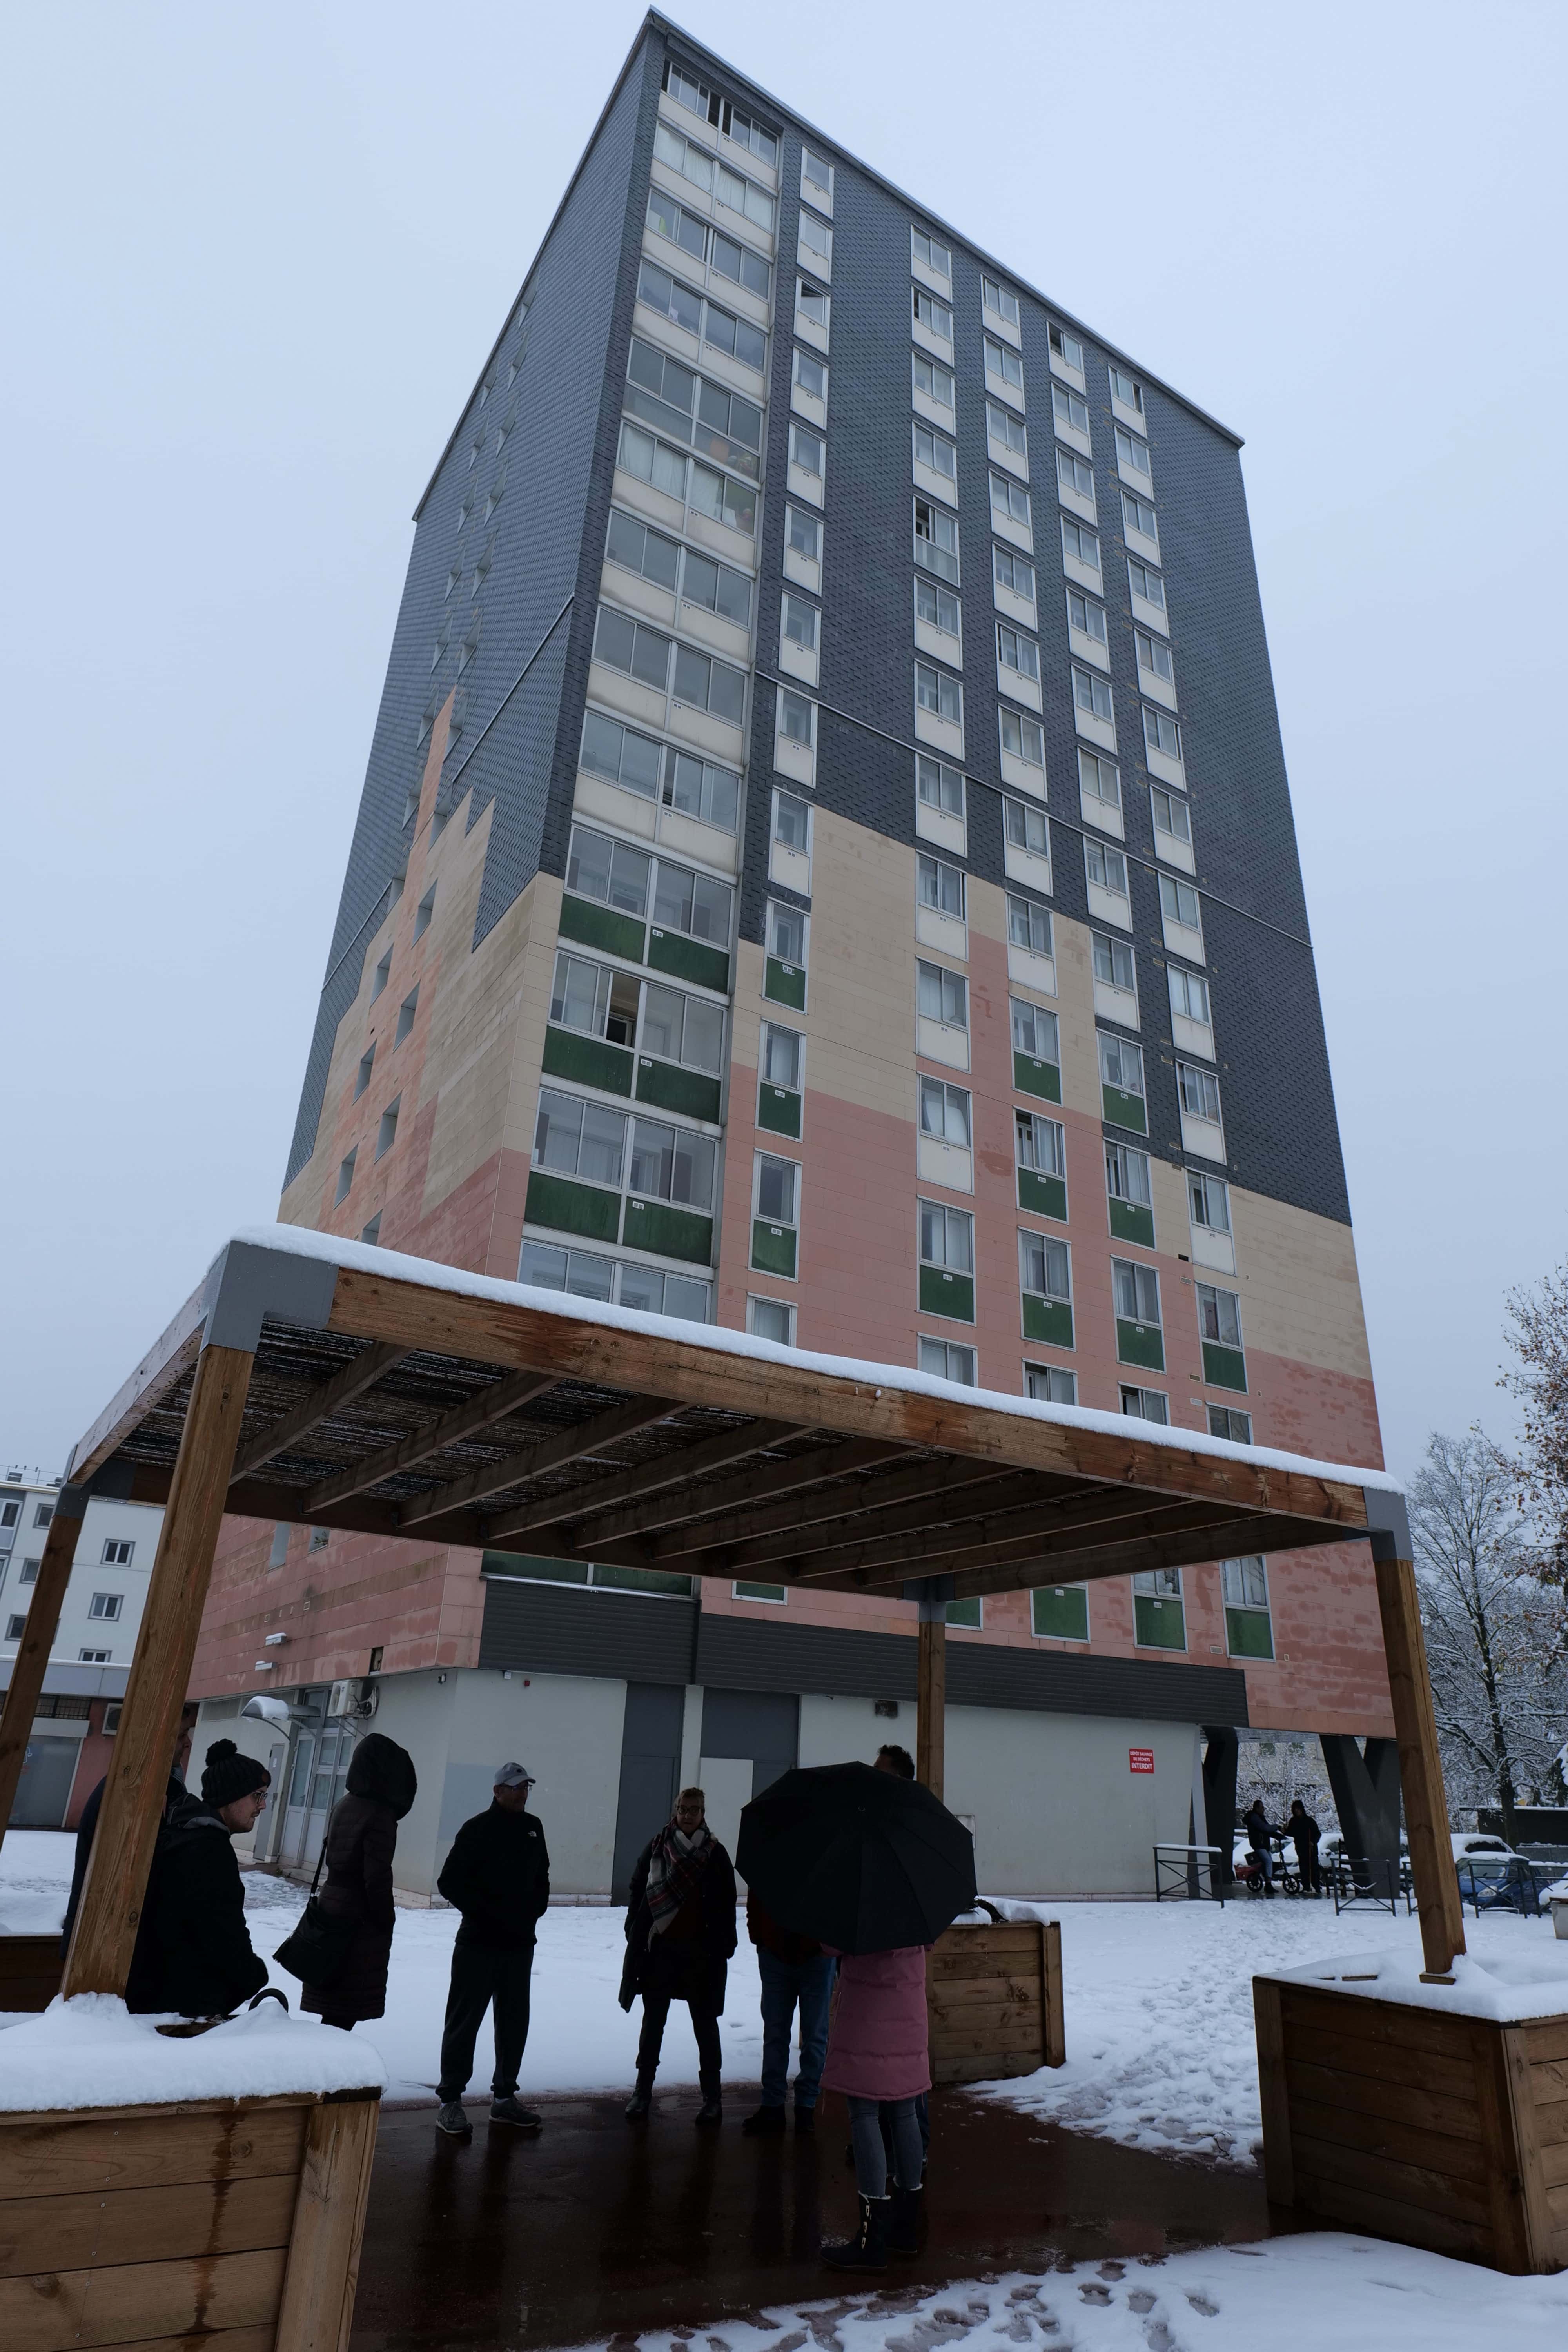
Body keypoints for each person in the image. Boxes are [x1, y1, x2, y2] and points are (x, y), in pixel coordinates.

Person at [435, 1762, 551, 2136]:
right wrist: (487, 1915)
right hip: (478, 1945)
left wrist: (534, 1911)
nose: (523, 1793)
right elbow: (449, 1881)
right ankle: (450, 2101)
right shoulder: (477, 1829)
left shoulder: (534, 1828)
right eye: (516, 1787)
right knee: (464, 2023)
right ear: (498, 1791)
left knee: (514, 2023)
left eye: (526, 1787)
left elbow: (542, 1876)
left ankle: (504, 2099)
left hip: (519, 1945)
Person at [125, 1738, 271, 2018]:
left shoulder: (185, 1834)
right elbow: (222, 1932)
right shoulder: (208, 1849)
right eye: (257, 1795)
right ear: (232, 1795)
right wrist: (253, 1976)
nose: (262, 1806)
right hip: (181, 2003)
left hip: (157, 1993)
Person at [619, 1786, 736, 2127]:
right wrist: (634, 1929)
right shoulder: (658, 1847)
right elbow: (638, 1886)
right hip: (661, 1953)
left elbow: (727, 1900)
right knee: (653, 2023)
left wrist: (723, 1945)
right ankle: (642, 2092)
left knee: (705, 2025)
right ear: (676, 1811)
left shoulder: (715, 1853)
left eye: (695, 1810)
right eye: (683, 1809)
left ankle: (712, 2099)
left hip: (701, 1956)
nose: (688, 1815)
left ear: (703, 1813)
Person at [819, 1937, 931, 2272]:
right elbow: (930, 1940)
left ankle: (872, 2241)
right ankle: (905, 2230)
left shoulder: (859, 1895)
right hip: (909, 2015)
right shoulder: (917, 1895)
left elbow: (830, 1945)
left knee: (865, 2114)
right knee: (906, 2111)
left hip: (866, 2017)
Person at [301, 1731, 417, 2035]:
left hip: (332, 1905)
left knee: (333, 2002)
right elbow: (377, 1876)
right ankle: (332, 2074)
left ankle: (323, 2066)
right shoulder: (380, 1815)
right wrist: (385, 1919)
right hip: (358, 1918)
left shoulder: (346, 1804)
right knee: (344, 2011)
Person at [62, 1714, 194, 1950]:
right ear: (160, 1739)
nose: (188, 1743)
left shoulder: (159, 1786)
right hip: (109, 1939)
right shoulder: (134, 1789)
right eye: (182, 1735)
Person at [740, 1894, 833, 2137]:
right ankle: (775, 2106)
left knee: (814, 2034)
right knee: (777, 2032)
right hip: (776, 1950)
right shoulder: (768, 1854)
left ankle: (805, 2106)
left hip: (815, 1952)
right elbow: (757, 1889)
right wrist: (759, 1934)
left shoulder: (828, 1855)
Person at [1243, 1797, 1279, 1895]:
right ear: (1257, 1808)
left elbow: (1267, 1829)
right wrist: (1277, 1827)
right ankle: (1268, 1884)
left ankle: (1267, 1881)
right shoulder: (1254, 1817)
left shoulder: (1260, 1817)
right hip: (1259, 1844)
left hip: (1263, 1844)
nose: (1264, 1809)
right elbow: (1264, 1828)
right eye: (1262, 1807)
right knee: (1268, 1861)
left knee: (1268, 1861)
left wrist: (1279, 1835)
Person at [1289, 1798, 1323, 1895]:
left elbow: (1318, 1834)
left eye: (1298, 1809)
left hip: (1311, 1849)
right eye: (1295, 1810)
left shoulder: (1310, 1821)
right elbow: (1290, 1833)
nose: (1296, 1811)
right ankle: (1306, 1887)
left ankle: (1317, 1887)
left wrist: (1313, 1842)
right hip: (1301, 1849)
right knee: (1304, 1869)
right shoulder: (1293, 1822)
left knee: (1314, 1869)